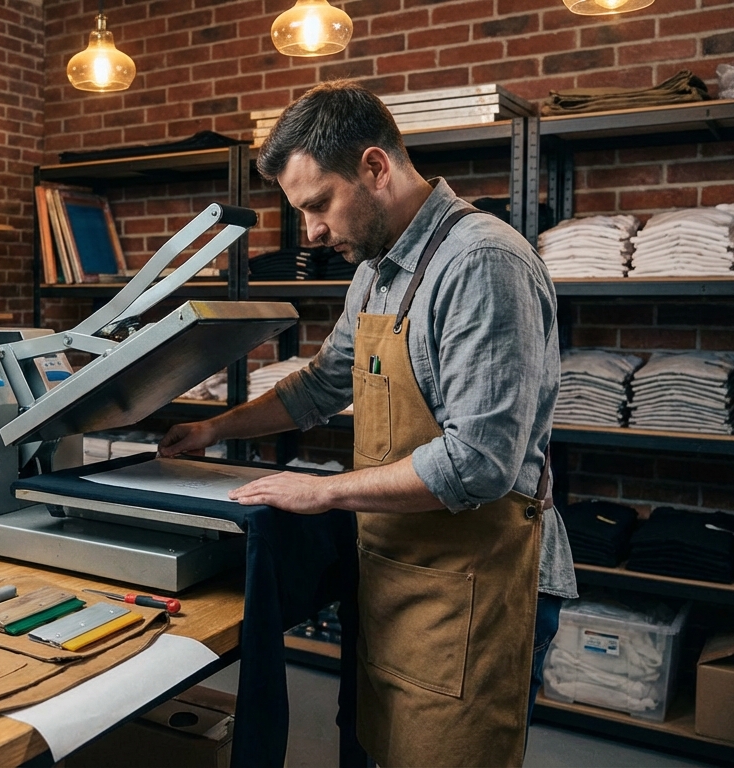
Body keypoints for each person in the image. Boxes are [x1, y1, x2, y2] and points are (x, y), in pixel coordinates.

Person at [158, 81, 578, 767]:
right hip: (396, 573)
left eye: (319, 204)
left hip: (474, 583)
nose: (313, 232)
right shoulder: (376, 272)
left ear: (375, 168)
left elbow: (480, 462)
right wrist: (214, 431)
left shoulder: (481, 262)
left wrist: (321, 490)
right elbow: (323, 384)